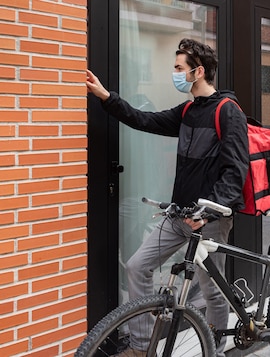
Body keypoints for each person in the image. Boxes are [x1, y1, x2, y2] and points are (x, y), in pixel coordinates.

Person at [86, 38, 249, 357]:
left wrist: (207, 213)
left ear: (197, 72)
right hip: (178, 217)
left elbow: (236, 172)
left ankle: (215, 347)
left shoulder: (228, 112)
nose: (174, 73)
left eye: (178, 68)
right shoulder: (188, 110)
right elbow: (144, 120)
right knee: (136, 266)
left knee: (212, 291)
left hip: (208, 222)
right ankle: (142, 346)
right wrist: (107, 97)